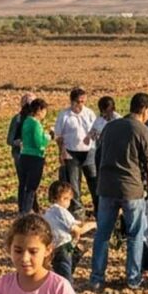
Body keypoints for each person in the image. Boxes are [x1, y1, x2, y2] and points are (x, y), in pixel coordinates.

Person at [89, 92, 148, 291]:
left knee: (102, 234)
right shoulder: (143, 131)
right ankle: (133, 279)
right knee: (135, 234)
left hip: (107, 187)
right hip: (131, 189)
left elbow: (98, 155)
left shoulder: (109, 127)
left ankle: (96, 278)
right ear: (144, 109)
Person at [54, 88, 98, 216]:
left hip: (89, 152)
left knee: (94, 181)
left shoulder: (89, 113)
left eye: (83, 101)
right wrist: (61, 152)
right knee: (73, 183)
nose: (81, 105)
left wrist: (90, 136)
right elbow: (59, 136)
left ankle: (98, 208)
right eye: (78, 102)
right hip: (71, 153)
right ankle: (78, 210)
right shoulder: (64, 115)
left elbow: (96, 130)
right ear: (72, 101)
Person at [42, 180, 94, 280]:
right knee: (65, 274)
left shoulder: (49, 212)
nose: (68, 203)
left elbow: (74, 222)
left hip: (53, 247)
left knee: (62, 267)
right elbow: (78, 230)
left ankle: (76, 252)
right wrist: (94, 225)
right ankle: (67, 290)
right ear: (62, 198)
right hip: (63, 247)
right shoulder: (62, 211)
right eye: (67, 199)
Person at [16, 97, 49, 215]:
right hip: (35, 157)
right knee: (31, 187)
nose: (45, 114)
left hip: (24, 155)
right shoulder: (35, 124)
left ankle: (25, 209)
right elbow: (39, 143)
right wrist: (48, 137)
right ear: (39, 110)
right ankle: (26, 212)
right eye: (45, 111)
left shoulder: (26, 121)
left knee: (24, 184)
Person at [6, 92, 33, 176]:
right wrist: (19, 142)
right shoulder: (17, 119)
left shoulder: (36, 119)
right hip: (20, 154)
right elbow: (9, 140)